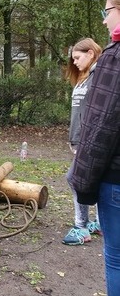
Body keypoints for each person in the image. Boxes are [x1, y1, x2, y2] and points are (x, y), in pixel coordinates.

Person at [68, 0, 120, 296]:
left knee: (116, 258)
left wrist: (82, 180)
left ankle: (83, 223)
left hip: (114, 174)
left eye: (108, 11)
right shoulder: (84, 78)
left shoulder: (113, 60)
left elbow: (101, 127)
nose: (104, 20)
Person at [62, 38, 102, 246]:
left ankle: (81, 227)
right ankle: (99, 223)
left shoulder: (99, 77)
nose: (75, 62)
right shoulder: (83, 78)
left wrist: (86, 140)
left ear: (91, 53)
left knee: (74, 179)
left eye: (77, 57)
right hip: (80, 141)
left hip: (90, 142)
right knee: (93, 181)